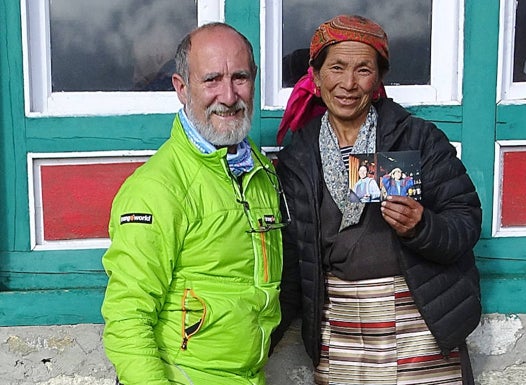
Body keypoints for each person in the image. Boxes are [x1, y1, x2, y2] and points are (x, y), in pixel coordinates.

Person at [273, 15, 482, 385]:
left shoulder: (417, 140)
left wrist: (422, 227)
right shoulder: (298, 158)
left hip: (420, 322)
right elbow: (294, 258)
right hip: (341, 330)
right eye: (336, 67)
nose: (349, 84)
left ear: (379, 78)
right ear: (317, 77)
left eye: (363, 70)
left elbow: (465, 221)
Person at [101, 22, 285, 385]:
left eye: (241, 78)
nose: (229, 96)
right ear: (181, 88)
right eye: (212, 79)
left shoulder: (259, 172)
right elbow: (127, 317)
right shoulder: (158, 188)